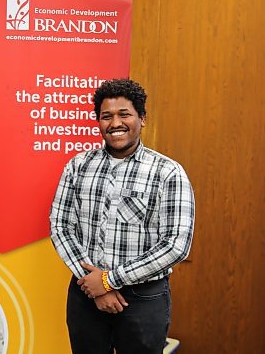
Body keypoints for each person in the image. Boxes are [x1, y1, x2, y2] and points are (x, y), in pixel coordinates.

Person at [50, 78, 195, 354]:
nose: (115, 123)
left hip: (144, 298)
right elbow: (60, 226)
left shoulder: (167, 172)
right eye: (107, 116)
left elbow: (176, 244)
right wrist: (93, 283)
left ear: (142, 119)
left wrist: (108, 280)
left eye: (124, 114)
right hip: (86, 293)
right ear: (99, 122)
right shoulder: (78, 166)